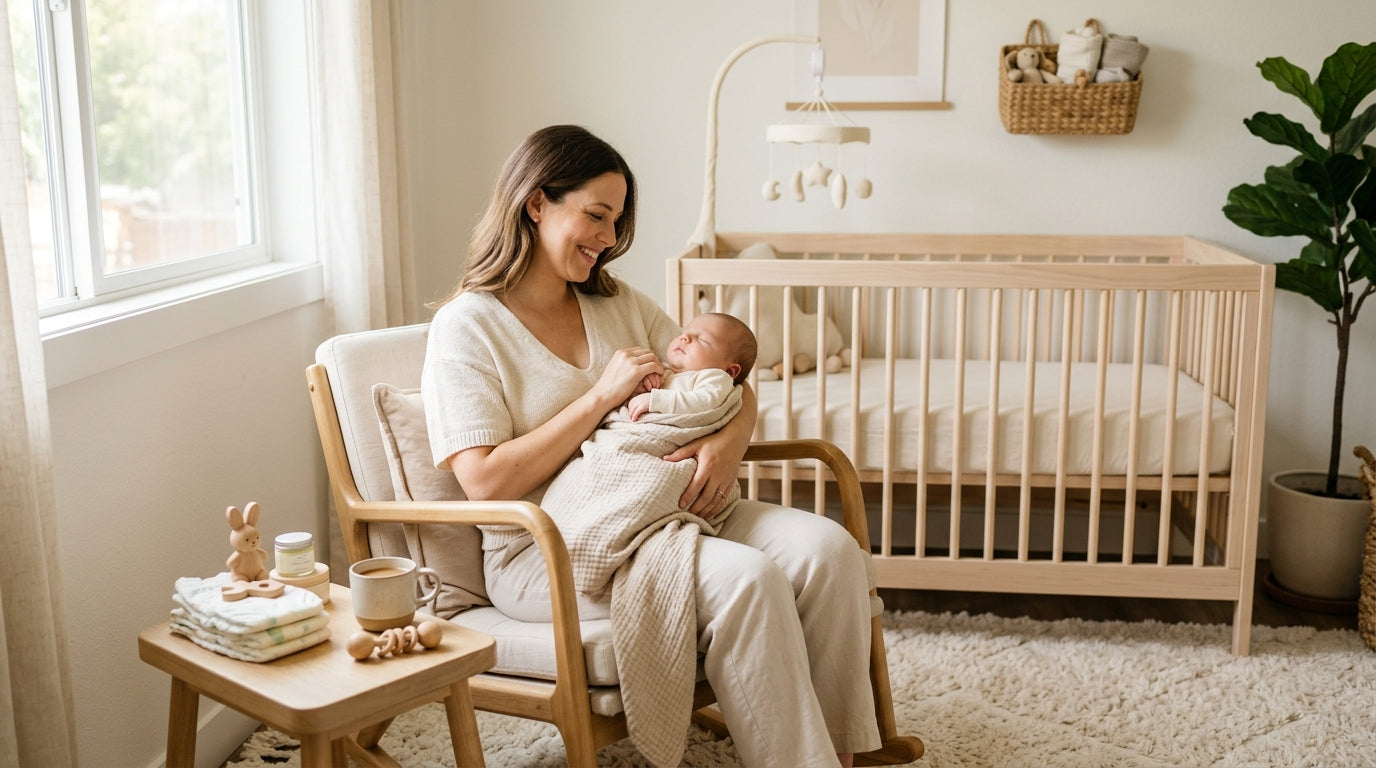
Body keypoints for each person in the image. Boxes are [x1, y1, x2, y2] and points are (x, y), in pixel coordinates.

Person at [421, 124, 878, 768]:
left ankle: (837, 754)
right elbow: (485, 482)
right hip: (548, 547)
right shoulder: (467, 327)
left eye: (616, 220)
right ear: (535, 203)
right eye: (596, 216)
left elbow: (727, 377)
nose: (609, 239)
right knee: (747, 580)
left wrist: (728, 442)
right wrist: (599, 399)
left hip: (674, 509)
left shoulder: (618, 303)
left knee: (829, 551)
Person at [626, 311, 757, 422]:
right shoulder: (667, 373)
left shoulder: (717, 378)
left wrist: (656, 400)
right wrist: (648, 384)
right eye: (683, 333)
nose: (685, 338)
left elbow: (704, 403)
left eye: (703, 339)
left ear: (729, 371)